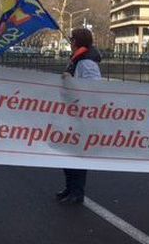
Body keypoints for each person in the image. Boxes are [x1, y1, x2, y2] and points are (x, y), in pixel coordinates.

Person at [56, 28, 102, 205]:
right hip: (71, 112)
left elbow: (93, 87)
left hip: (81, 115)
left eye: (72, 38)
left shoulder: (86, 63)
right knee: (66, 153)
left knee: (76, 155)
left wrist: (71, 80)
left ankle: (77, 192)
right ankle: (69, 187)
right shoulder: (77, 60)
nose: (70, 41)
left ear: (77, 41)